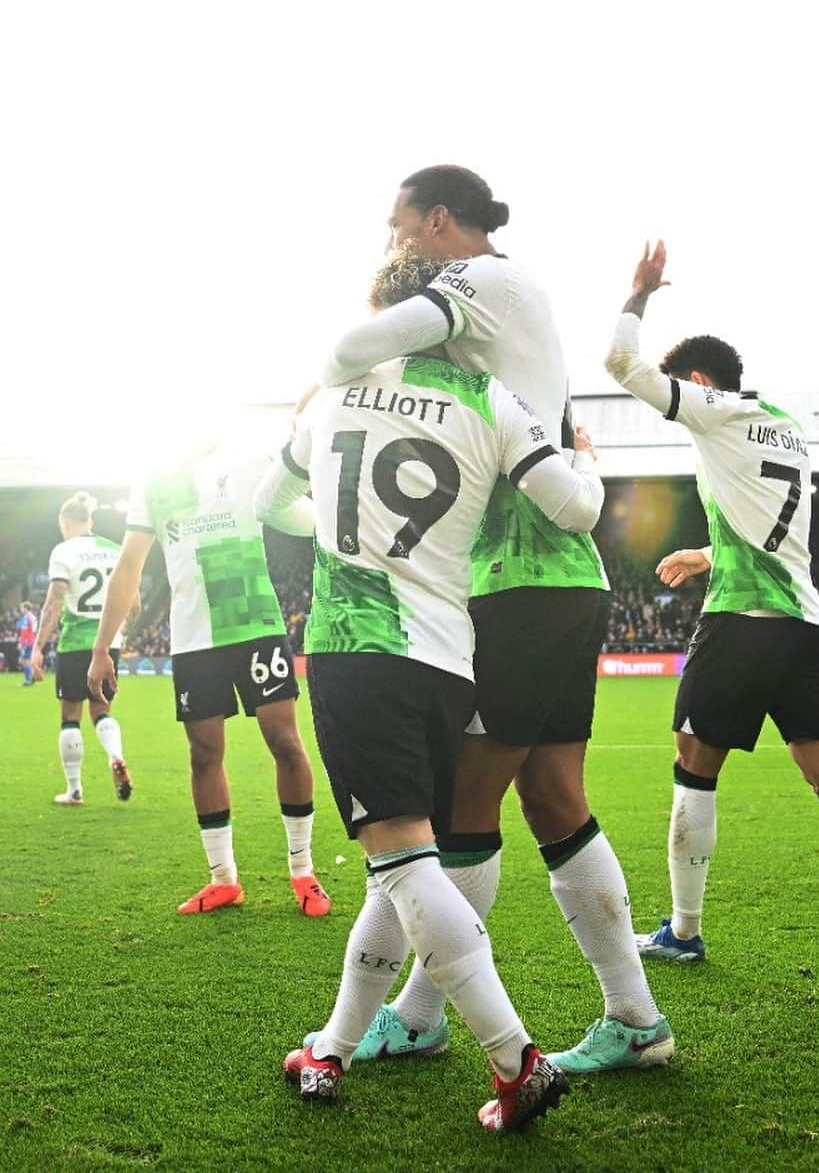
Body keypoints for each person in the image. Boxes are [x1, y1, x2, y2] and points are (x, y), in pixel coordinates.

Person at [299, 169, 671, 1074]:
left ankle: (421, 1015)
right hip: (550, 577)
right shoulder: (498, 321)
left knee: (452, 810)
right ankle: (636, 1018)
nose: (392, 246)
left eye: (397, 229)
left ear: (435, 222)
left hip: (515, 581)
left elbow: (349, 348)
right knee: (551, 795)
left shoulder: (485, 282)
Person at [258, 284, 606, 1127]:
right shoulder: (492, 397)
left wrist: (341, 521)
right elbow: (578, 507)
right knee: (399, 864)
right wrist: (584, 454)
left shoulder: (335, 395)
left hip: (357, 647)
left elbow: (269, 507)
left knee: (405, 864)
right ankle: (334, 1045)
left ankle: (514, 1057)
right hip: (451, 656)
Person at [606, 241, 819, 990]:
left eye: (680, 386)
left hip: (740, 621)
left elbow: (622, 368)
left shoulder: (714, 410)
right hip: (800, 621)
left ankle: (683, 932)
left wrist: (638, 295)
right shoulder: (783, 424)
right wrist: (703, 551)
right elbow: (765, 531)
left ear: (698, 382)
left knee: (694, 764)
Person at [86, 446, 330, 918]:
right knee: (203, 754)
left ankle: (303, 870)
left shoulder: (250, 462)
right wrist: (103, 647)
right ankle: (223, 880)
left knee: (286, 742)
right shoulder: (153, 479)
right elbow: (129, 566)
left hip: (255, 621)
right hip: (194, 637)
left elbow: (308, 518)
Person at [31, 493, 135, 805]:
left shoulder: (63, 551)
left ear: (64, 522)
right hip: (108, 642)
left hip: (75, 643)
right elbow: (135, 602)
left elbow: (55, 601)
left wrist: (37, 647)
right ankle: (115, 755)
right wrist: (122, 634)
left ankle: (75, 790)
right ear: (90, 521)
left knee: (70, 713)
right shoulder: (114, 550)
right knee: (102, 709)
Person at [16, 602, 38, 687]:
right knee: (26, 661)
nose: (21, 610)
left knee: (23, 661)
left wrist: (21, 643)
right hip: (32, 640)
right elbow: (34, 630)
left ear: (26, 608)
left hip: (27, 642)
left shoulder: (27, 617)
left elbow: (24, 632)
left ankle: (29, 680)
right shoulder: (33, 617)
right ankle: (31, 678)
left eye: (22, 608)